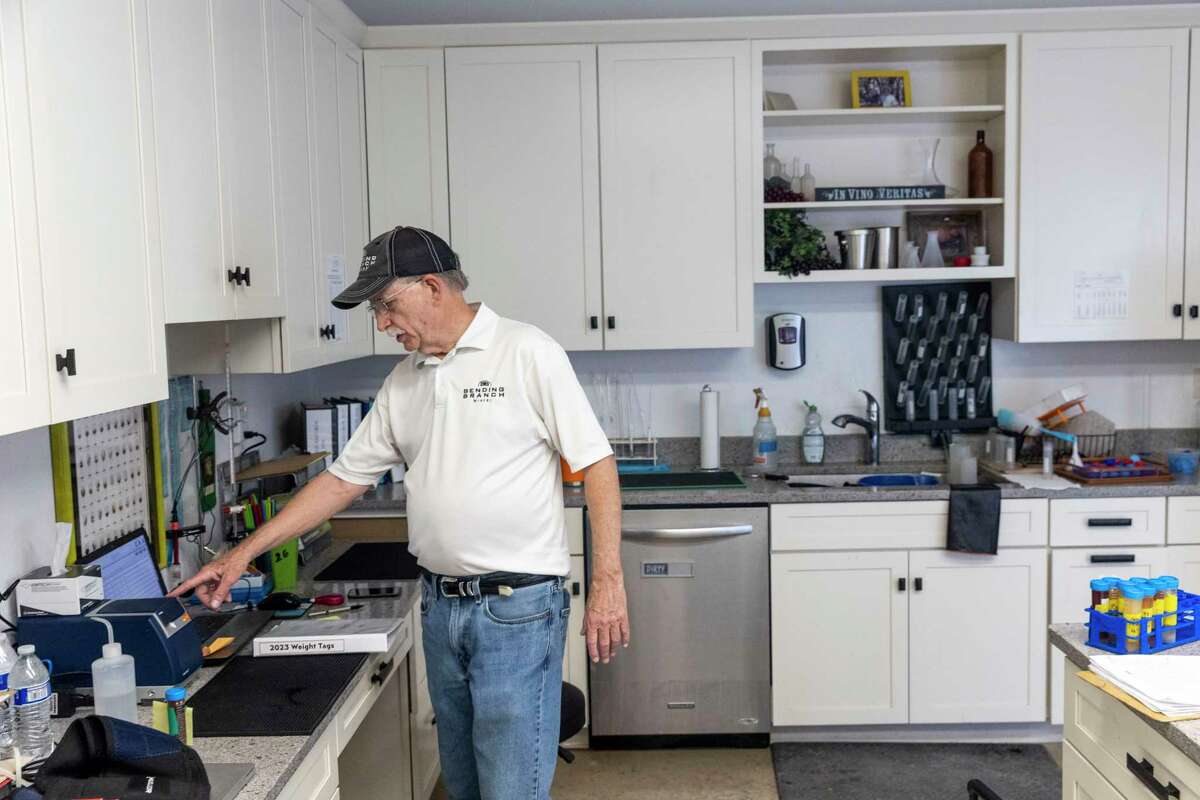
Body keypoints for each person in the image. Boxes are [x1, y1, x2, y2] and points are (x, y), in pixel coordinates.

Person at [171, 226, 629, 800]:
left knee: (511, 789)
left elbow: (598, 465)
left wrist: (608, 580)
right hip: (440, 607)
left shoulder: (527, 352)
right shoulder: (404, 380)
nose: (383, 323)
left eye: (387, 305)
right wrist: (242, 554)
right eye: (375, 311)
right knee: (462, 785)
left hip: (518, 612)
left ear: (432, 287)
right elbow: (341, 481)